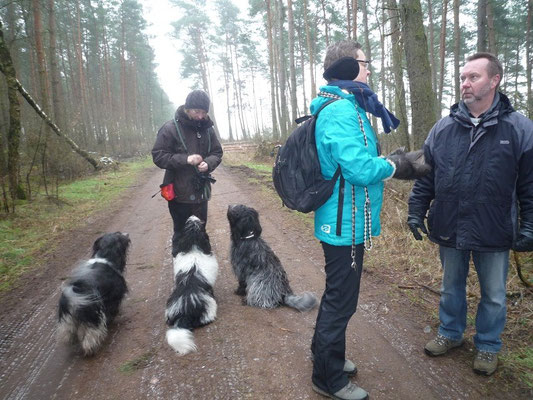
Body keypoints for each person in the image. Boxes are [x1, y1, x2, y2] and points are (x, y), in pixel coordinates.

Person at [310, 40, 429, 400]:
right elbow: (360, 169)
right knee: (340, 301)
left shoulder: (347, 106)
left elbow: (359, 159)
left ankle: (327, 356)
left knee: (338, 297)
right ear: (347, 68)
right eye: (364, 63)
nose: (369, 69)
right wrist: (397, 165)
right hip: (343, 224)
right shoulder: (341, 112)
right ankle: (327, 377)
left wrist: (389, 160)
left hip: (347, 220)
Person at [407, 52, 533, 376]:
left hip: (494, 227)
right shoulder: (443, 128)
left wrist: (529, 224)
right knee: (451, 286)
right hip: (450, 222)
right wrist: (415, 210)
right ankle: (450, 333)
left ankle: (488, 345)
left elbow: (530, 185)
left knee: (494, 294)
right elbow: (426, 174)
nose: (465, 83)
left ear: (494, 80)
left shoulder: (519, 128)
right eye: (462, 77)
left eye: (473, 77)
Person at [152, 89, 223, 257]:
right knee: (181, 233)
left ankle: (201, 270)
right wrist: (186, 159)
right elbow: (158, 156)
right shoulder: (170, 128)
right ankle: (182, 272)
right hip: (178, 193)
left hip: (201, 192)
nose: (200, 116)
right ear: (187, 109)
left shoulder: (208, 129)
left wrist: (209, 163)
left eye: (204, 112)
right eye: (197, 111)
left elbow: (217, 153)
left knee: (200, 231)